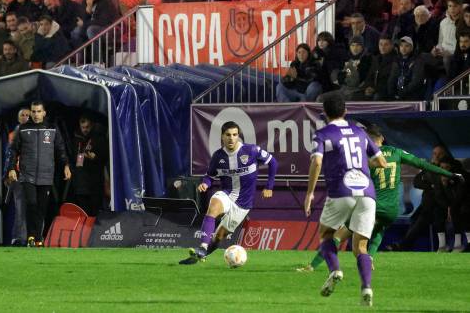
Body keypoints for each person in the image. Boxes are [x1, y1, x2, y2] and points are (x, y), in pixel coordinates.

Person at [301, 125, 458, 272]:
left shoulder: (366, 158)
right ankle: (369, 258)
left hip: (374, 206)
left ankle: (312, 266)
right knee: (379, 229)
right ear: (381, 138)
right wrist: (450, 174)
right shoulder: (396, 152)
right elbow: (421, 164)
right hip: (392, 210)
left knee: (338, 235)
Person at [304, 93, 387, 306]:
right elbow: (382, 162)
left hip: (342, 190)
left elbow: (317, 162)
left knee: (325, 234)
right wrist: (361, 168)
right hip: (367, 193)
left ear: (324, 114)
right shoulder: (360, 132)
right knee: (361, 247)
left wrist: (310, 193)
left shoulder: (322, 134)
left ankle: (335, 271)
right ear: (345, 112)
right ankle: (366, 287)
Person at [179, 120, 277, 264]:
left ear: (238, 136)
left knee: (219, 236)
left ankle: (201, 255)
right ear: (222, 136)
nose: (231, 138)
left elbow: (273, 162)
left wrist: (269, 186)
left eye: (235, 134)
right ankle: (202, 247)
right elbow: (209, 176)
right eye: (228, 135)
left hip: (243, 204)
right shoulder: (218, 156)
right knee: (213, 206)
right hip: (227, 194)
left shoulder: (251, 150)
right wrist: (205, 184)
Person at [6, 101, 71, 247]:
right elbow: (13, 150)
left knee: (41, 208)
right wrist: (11, 168)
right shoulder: (22, 129)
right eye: (33, 112)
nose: (36, 115)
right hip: (26, 175)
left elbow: (60, 149)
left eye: (38, 111)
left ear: (44, 113)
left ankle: (38, 238)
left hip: (46, 176)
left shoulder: (52, 129)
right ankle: (31, 236)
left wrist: (66, 165)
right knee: (31, 204)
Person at [71, 115, 108, 216]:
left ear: (92, 126)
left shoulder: (99, 138)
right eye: (83, 127)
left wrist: (95, 158)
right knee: (84, 214)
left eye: (87, 127)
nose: (85, 130)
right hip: (81, 184)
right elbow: (74, 158)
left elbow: (106, 157)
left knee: (95, 214)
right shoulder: (76, 138)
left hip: (95, 184)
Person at [5, 107, 31, 246]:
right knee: (20, 207)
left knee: (31, 207)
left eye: (28, 115)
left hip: (33, 175)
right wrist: (7, 173)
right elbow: (8, 156)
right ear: (18, 118)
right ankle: (20, 239)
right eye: (22, 115)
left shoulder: (34, 133)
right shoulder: (13, 134)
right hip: (18, 175)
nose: (25, 117)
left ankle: (29, 237)